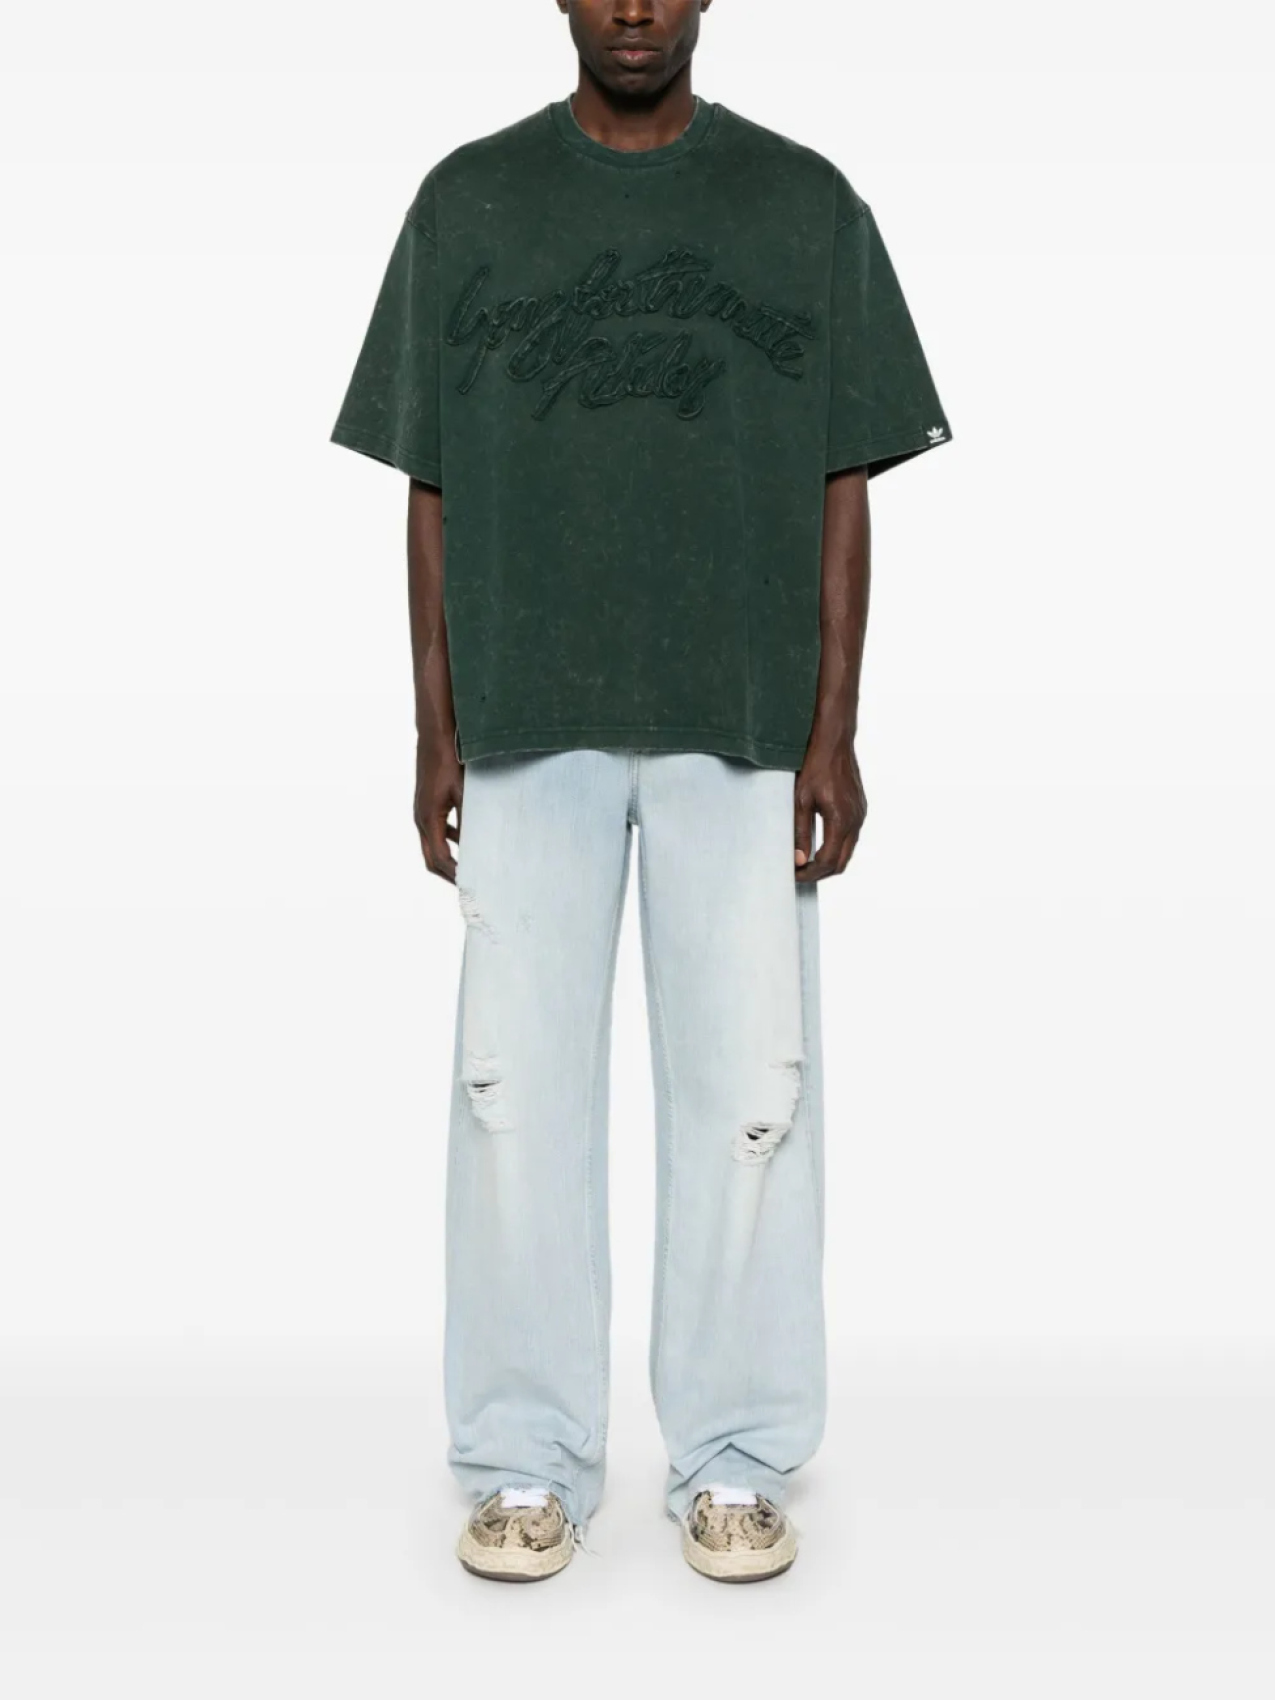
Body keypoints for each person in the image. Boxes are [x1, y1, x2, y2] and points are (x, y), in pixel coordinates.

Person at [330, 0, 950, 1585]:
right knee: (513, 1100)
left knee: (751, 1096)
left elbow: (844, 479)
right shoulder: (471, 200)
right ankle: (522, 1456)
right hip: (526, 713)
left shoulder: (801, 203)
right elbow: (430, 483)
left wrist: (834, 728)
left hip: (737, 716)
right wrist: (434, 724)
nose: (632, 7)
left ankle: (735, 1454)